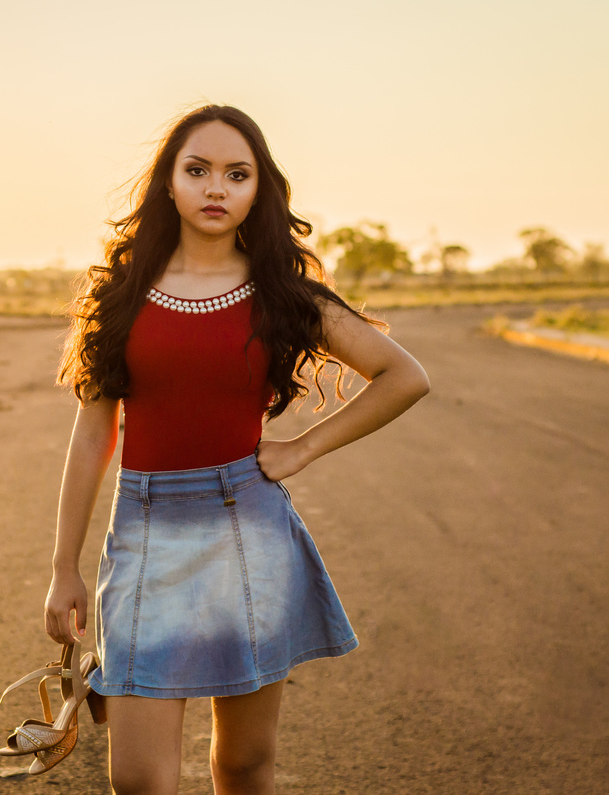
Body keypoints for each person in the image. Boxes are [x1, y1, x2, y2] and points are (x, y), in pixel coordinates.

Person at [47, 103, 430, 795]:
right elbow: (92, 432)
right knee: (138, 777)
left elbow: (406, 375)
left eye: (236, 173)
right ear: (169, 182)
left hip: (248, 531)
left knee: (244, 764)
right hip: (144, 537)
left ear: (260, 189)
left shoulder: (282, 293)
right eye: (198, 170)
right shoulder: (119, 296)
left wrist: (305, 447)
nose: (216, 187)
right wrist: (62, 567)